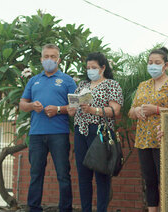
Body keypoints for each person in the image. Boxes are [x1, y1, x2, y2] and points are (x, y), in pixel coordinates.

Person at [19, 44, 77, 212]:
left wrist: (58, 109)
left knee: (63, 175)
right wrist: (31, 106)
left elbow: (75, 106)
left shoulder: (68, 80)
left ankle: (65, 209)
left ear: (58, 59)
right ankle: (34, 208)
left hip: (59, 133)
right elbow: (22, 104)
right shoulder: (33, 80)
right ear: (41, 59)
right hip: (36, 134)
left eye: (53, 57)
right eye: (46, 57)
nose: (49, 60)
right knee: (36, 174)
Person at [128, 47, 168, 212]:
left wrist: (157, 110)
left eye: (157, 63)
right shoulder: (143, 85)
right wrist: (137, 111)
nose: (152, 66)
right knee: (150, 180)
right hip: (143, 140)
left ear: (166, 65)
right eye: (150, 63)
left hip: (165, 139)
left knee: (167, 180)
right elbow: (131, 111)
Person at [67, 52, 123, 212]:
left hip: (99, 133)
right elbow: (72, 111)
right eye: (88, 67)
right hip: (80, 132)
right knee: (83, 176)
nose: (90, 70)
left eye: (94, 67)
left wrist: (93, 110)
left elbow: (115, 110)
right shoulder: (82, 85)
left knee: (101, 176)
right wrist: (72, 108)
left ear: (103, 68)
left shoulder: (111, 85)